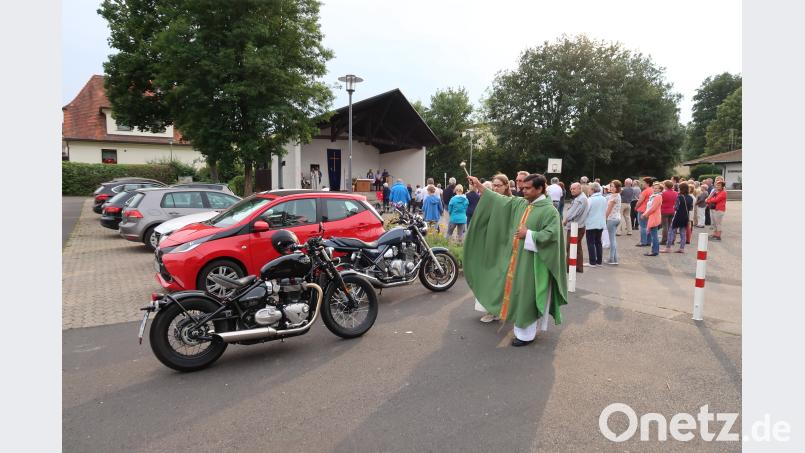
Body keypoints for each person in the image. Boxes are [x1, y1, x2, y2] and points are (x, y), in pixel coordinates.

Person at [465, 174, 568, 346]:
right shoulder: (522, 203)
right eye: (522, 188)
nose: (523, 191)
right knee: (519, 293)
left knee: (527, 295)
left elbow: (552, 236)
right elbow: (500, 200)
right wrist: (479, 186)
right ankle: (524, 331)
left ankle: (525, 335)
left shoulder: (549, 211)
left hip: (535, 264)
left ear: (540, 188)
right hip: (518, 260)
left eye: (527, 188)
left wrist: (529, 234)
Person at [563, 182, 590, 273]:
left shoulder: (581, 199)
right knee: (576, 247)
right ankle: (577, 267)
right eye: (571, 189)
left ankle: (569, 268)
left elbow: (574, 213)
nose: (572, 190)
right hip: (578, 226)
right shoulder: (581, 198)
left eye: (574, 188)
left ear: (580, 189)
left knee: (570, 247)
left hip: (575, 227)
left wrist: (566, 219)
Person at [663, 182, 694, 253]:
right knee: (683, 233)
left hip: (678, 216)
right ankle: (682, 248)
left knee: (671, 231)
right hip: (686, 216)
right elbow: (691, 208)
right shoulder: (690, 197)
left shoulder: (679, 197)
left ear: (681, 188)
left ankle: (668, 248)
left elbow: (676, 207)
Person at [584, 182, 606, 267]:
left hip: (591, 223)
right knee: (598, 242)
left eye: (589, 189)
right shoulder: (604, 198)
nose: (588, 190)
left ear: (592, 190)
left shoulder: (590, 200)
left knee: (591, 243)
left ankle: (592, 262)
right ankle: (599, 261)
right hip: (600, 223)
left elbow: (586, 211)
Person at [642, 182, 664, 256]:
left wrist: (645, 214)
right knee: (653, 234)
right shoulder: (653, 196)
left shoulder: (658, 197)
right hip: (651, 216)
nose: (654, 189)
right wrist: (645, 214)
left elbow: (653, 208)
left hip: (654, 217)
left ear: (660, 189)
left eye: (657, 188)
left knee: (654, 235)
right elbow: (649, 207)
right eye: (654, 188)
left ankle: (654, 251)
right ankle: (654, 250)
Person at [605, 180, 622, 264]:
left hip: (612, 219)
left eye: (613, 186)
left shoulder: (613, 197)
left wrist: (604, 218)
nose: (611, 188)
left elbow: (608, 210)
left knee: (612, 240)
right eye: (611, 186)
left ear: (617, 188)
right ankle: (615, 258)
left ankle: (611, 258)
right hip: (617, 218)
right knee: (613, 239)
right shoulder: (617, 195)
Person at [634, 177, 654, 247]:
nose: (642, 184)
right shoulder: (652, 190)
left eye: (644, 182)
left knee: (642, 226)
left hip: (642, 210)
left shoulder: (645, 191)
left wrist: (636, 207)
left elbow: (640, 201)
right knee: (648, 226)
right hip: (649, 210)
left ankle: (643, 242)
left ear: (647, 183)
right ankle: (648, 241)